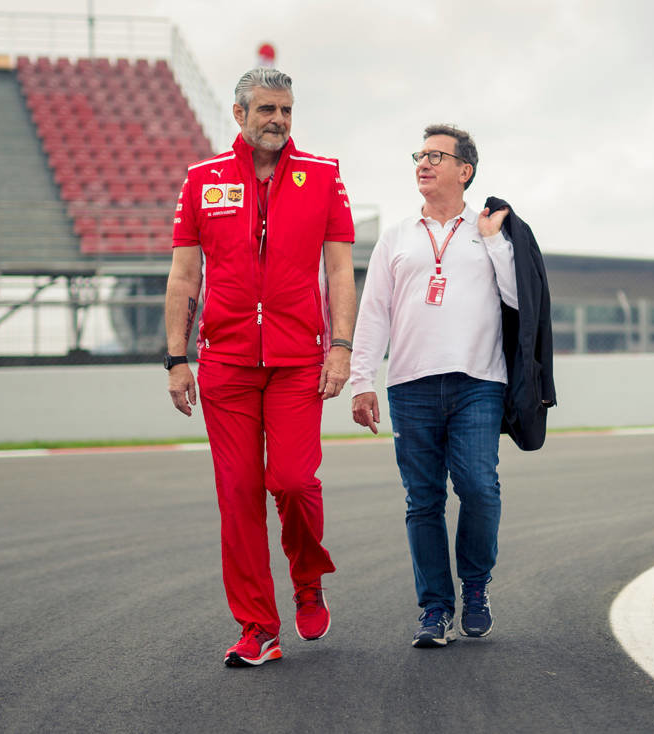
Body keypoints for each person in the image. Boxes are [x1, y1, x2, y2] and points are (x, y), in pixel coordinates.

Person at [164, 68, 356, 667]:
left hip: (300, 360)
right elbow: (184, 277)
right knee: (239, 493)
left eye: (287, 110)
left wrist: (341, 347)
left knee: (294, 482)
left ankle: (307, 577)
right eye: (267, 109)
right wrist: (176, 358)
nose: (278, 119)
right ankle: (258, 627)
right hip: (225, 363)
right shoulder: (203, 181)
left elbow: (341, 272)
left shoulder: (323, 176)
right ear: (240, 113)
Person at [350, 124, 518, 647]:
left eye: (436, 156)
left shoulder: (490, 229)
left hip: (478, 381)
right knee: (422, 500)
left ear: (464, 171)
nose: (423, 163)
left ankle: (475, 587)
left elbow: (518, 299)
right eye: (419, 155)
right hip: (410, 385)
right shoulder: (397, 236)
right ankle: (434, 611)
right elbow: (373, 310)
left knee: (478, 487)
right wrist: (362, 379)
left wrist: (494, 243)